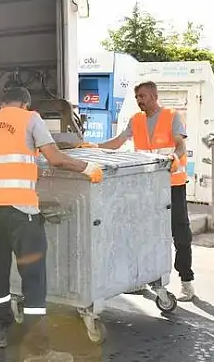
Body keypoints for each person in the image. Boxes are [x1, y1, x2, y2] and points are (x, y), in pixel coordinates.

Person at [0, 86, 105, 362]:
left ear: (2, 103)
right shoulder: (30, 118)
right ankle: (39, 348)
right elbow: (56, 158)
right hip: (21, 210)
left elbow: (7, 160)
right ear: (25, 103)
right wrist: (86, 168)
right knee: (33, 277)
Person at [89, 80, 195, 302]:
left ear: (154, 96)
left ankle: (186, 281)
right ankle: (140, 279)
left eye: (143, 97)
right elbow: (118, 142)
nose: (139, 101)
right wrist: (93, 148)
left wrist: (174, 156)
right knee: (141, 233)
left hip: (172, 185)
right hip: (145, 187)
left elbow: (180, 144)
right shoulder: (136, 120)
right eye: (137, 97)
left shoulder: (172, 116)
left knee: (180, 233)